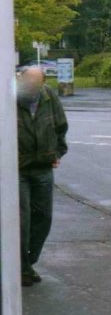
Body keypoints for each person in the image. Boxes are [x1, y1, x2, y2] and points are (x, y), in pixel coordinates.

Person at [16, 66, 67, 286]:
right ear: (21, 78)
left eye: (36, 83)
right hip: (17, 169)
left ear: (43, 82)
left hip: (43, 167)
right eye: (28, 81)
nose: (31, 87)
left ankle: (27, 261)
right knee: (22, 220)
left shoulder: (49, 96)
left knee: (44, 218)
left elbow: (60, 125)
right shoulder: (9, 97)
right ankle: (23, 268)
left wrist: (58, 152)